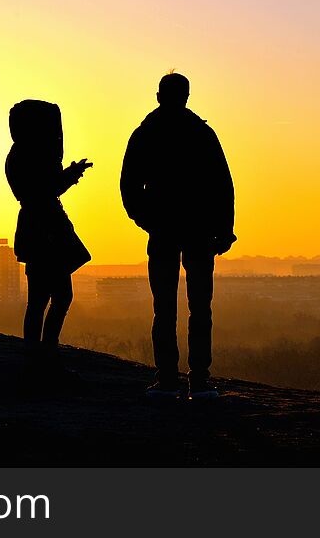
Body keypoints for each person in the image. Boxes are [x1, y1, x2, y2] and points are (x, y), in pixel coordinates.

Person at [120, 73, 236, 399]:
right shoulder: (201, 133)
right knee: (199, 309)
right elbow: (222, 187)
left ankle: (168, 379)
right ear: (186, 96)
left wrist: (148, 220)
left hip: (166, 230)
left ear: (158, 96)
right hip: (198, 230)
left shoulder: (146, 134)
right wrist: (223, 229)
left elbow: (129, 188)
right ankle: (197, 380)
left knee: (165, 308)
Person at [6, 99, 93, 371]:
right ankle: (42, 353)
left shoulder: (20, 155)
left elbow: (45, 188)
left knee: (45, 298)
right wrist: (71, 174)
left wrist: (69, 174)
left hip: (41, 227)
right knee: (49, 298)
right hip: (45, 229)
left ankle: (40, 352)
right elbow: (44, 189)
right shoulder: (27, 155)